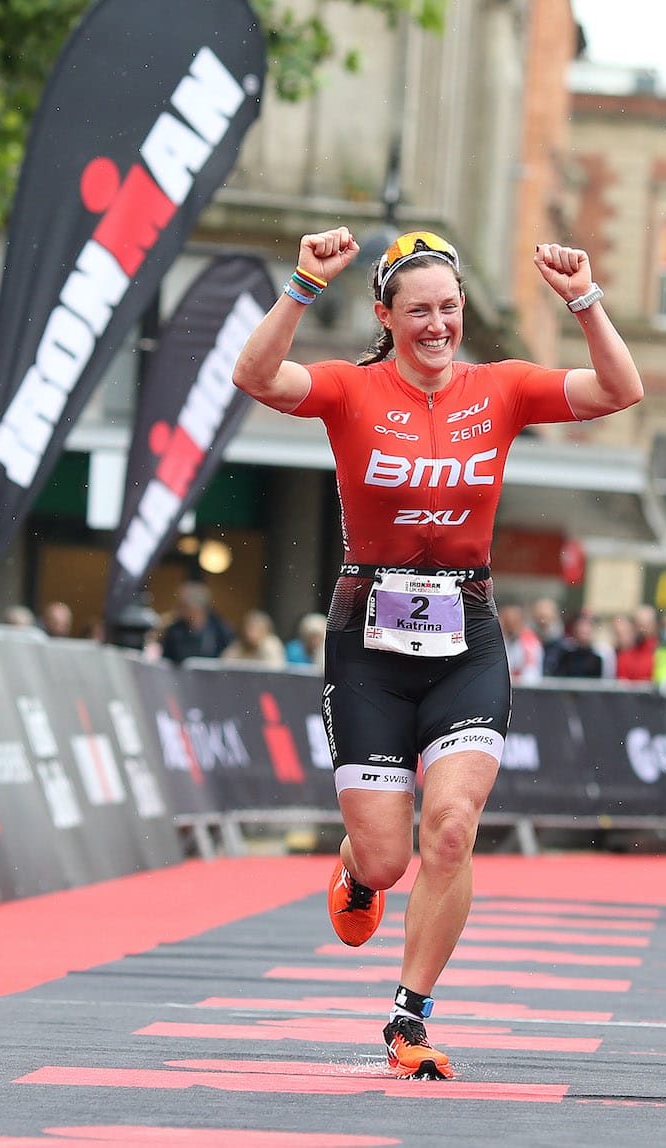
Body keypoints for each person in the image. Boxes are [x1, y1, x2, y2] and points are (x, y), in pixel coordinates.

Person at [231, 225, 640, 1078]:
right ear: (385, 316)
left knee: (451, 829)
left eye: (449, 308)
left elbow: (618, 389)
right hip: (368, 641)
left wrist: (584, 300)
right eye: (418, 311)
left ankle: (407, 1016)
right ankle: (357, 866)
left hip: (468, 635)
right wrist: (303, 285)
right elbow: (257, 376)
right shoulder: (350, 389)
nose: (438, 325)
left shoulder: (502, 388)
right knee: (389, 858)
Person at [158, 581, 233, 664]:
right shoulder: (174, 630)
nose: (179, 610)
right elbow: (166, 659)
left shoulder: (219, 628)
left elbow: (230, 652)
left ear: (196, 608)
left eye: (183, 606)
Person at [222, 609, 288, 667]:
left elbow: (276, 669)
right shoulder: (240, 645)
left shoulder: (271, 645)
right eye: (249, 629)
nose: (250, 634)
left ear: (265, 630)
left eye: (256, 629)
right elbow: (224, 664)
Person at [498, 601, 543, 684]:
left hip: (521, 689)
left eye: (514, 621)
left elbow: (531, 676)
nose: (510, 626)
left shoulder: (530, 642)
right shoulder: (495, 640)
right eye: (507, 621)